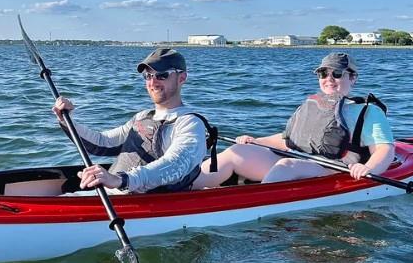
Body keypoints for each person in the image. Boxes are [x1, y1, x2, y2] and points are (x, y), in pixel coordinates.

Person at [193, 52, 395, 187]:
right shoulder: (313, 105)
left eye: (337, 73)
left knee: (288, 165)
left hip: (329, 168)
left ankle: (252, 206)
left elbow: (384, 150)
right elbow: (288, 139)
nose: (329, 78)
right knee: (237, 152)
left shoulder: (368, 113)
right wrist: (257, 141)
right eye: (323, 73)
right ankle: (185, 187)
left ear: (353, 78)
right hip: (294, 158)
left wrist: (368, 168)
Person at [52, 48, 210, 194]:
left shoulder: (191, 123)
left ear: (182, 78)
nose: (153, 82)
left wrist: (121, 180)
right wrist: (67, 121)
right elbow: (101, 143)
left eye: (162, 75)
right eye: (148, 76)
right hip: (107, 194)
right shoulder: (143, 116)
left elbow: (175, 165)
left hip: (138, 205)